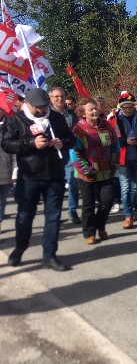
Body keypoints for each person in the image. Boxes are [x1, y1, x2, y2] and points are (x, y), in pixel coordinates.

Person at [1, 88, 74, 271]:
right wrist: (31, 143)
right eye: (37, 108)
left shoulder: (55, 118)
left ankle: (49, 256)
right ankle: (20, 247)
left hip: (54, 175)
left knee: (54, 217)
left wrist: (62, 142)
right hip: (29, 176)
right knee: (25, 216)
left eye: (44, 107)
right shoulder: (16, 121)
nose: (41, 111)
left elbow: (71, 139)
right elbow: (7, 144)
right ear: (27, 103)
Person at [70, 98, 119, 244]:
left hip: (106, 170)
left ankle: (100, 225)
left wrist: (114, 161)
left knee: (108, 200)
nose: (94, 111)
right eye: (90, 109)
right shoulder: (78, 129)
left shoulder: (106, 125)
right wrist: (85, 169)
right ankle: (89, 232)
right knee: (88, 204)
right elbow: (75, 152)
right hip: (87, 173)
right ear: (83, 113)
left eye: (95, 108)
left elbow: (115, 144)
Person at [108, 91, 137, 229]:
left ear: (133, 106)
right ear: (121, 107)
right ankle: (128, 216)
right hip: (122, 160)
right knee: (125, 188)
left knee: (134, 188)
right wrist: (124, 140)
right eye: (125, 107)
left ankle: (130, 208)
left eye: (130, 106)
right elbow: (108, 139)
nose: (127, 109)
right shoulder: (113, 120)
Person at [49, 87, 80, 224]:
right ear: (51, 98)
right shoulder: (46, 114)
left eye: (61, 96)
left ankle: (72, 211)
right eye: (56, 96)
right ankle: (55, 214)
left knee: (73, 181)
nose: (59, 99)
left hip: (70, 152)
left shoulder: (72, 115)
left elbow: (75, 133)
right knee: (56, 185)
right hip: (52, 154)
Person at [0, 108, 16, 237]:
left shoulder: (10, 125)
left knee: (1, 203)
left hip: (5, 171)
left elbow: (14, 151)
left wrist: (15, 172)